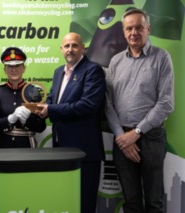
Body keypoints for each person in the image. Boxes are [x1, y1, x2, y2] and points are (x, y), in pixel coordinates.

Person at [105, 9, 174, 213]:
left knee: (154, 202)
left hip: (151, 137)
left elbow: (166, 103)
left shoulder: (162, 58)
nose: (134, 32)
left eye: (139, 27)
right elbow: (108, 103)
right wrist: (121, 137)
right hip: (122, 139)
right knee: (131, 203)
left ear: (148, 29)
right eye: (129, 28)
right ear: (124, 32)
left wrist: (136, 133)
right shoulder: (116, 61)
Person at [37, 32, 106, 213]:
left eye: (74, 45)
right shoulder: (58, 72)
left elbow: (88, 105)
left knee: (84, 204)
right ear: (61, 49)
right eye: (66, 46)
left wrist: (51, 110)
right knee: (66, 202)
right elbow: (54, 99)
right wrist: (42, 109)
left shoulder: (93, 70)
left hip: (85, 151)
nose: (70, 49)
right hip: (61, 148)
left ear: (83, 47)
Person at [0, 47, 46, 148]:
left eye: (18, 65)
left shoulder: (34, 92)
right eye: (9, 66)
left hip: (26, 146)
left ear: (24, 69)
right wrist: (10, 119)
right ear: (5, 70)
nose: (14, 69)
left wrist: (27, 120)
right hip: (3, 146)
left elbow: (41, 126)